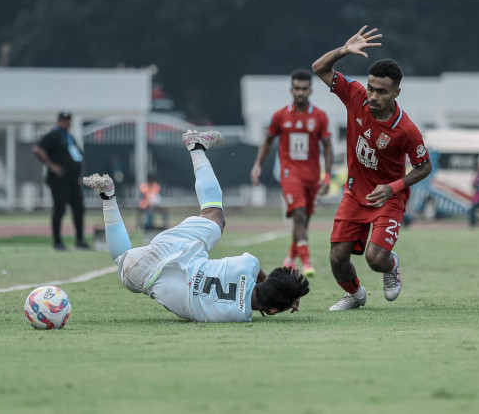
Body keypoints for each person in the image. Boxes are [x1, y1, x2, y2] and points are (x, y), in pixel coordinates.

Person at [82, 129, 310, 322]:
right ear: (271, 311)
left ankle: (196, 148)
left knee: (214, 216)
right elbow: (258, 298)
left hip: (179, 249)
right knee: (123, 258)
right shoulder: (237, 315)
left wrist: (282, 285)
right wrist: (281, 297)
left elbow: (257, 271)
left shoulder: (248, 264)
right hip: (150, 275)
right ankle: (108, 196)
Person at [312, 25, 432, 311]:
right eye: (371, 88)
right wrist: (343, 51)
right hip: (355, 194)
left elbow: (424, 166)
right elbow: (319, 68)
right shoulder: (355, 96)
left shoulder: (406, 130)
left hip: (388, 198)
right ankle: (355, 295)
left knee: (375, 259)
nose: (373, 96)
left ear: (396, 93)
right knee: (337, 258)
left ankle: (392, 265)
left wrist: (394, 187)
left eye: (381, 91)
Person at [250, 69, 333, 277]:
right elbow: (267, 142)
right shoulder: (280, 116)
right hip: (290, 173)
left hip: (312, 175)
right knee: (298, 213)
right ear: (291, 89)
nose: (300, 93)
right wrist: (258, 164)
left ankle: (290, 257)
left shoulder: (320, 116)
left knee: (304, 220)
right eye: (297, 88)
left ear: (310, 90)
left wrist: (327, 175)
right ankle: (306, 262)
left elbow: (328, 147)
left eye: (304, 89)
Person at [33, 111, 90, 251]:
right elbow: (37, 149)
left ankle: (80, 240)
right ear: (59, 121)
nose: (67, 123)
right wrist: (51, 166)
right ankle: (57, 241)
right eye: (65, 120)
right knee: (59, 209)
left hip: (73, 181)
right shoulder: (53, 135)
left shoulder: (69, 137)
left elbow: (77, 155)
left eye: (69, 120)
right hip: (59, 180)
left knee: (79, 209)